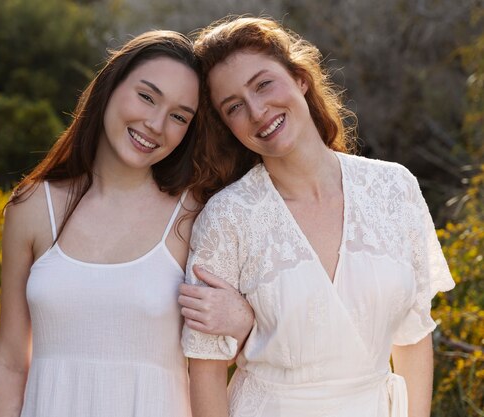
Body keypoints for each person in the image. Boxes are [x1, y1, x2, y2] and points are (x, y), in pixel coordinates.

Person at [180, 16, 455, 417]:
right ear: (227, 126)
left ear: (300, 79)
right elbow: (204, 370)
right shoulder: (227, 218)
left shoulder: (395, 189)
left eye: (263, 84)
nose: (257, 111)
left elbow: (413, 338)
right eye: (234, 106)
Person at [0, 30, 254, 417]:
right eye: (147, 96)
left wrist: (243, 319)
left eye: (179, 116)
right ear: (109, 87)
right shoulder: (31, 206)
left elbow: (219, 359)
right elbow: (11, 361)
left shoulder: (196, 216)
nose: (156, 124)